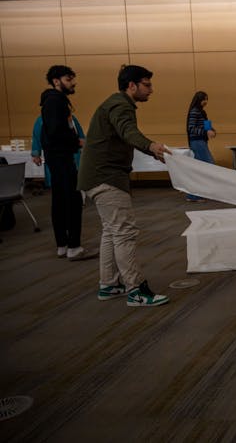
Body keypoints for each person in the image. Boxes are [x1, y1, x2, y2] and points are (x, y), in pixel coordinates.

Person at [78, 65, 172, 307]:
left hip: (96, 176)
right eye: (146, 85)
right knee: (124, 232)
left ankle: (109, 284)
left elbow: (125, 134)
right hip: (106, 177)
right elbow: (128, 132)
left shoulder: (115, 103)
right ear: (132, 85)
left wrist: (150, 150)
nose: (151, 90)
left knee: (111, 231)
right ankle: (136, 290)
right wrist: (151, 146)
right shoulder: (121, 105)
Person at [39, 65, 96, 261]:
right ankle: (74, 247)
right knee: (72, 201)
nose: (73, 83)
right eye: (68, 79)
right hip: (61, 156)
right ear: (56, 81)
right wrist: (76, 141)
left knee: (60, 201)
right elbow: (56, 131)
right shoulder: (55, 101)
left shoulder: (52, 100)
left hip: (57, 157)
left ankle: (62, 245)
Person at [32, 114, 85, 188]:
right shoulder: (42, 120)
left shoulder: (71, 118)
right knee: (58, 184)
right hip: (54, 157)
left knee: (73, 183)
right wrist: (36, 154)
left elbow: (80, 136)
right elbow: (37, 138)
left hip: (73, 156)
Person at [185, 90, 216, 202]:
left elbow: (206, 126)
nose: (205, 101)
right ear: (198, 100)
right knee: (208, 165)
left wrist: (212, 130)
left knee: (198, 168)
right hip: (197, 141)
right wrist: (206, 132)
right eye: (204, 99)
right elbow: (191, 128)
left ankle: (192, 195)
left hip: (201, 141)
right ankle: (195, 195)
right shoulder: (195, 111)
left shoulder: (202, 112)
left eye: (207, 99)